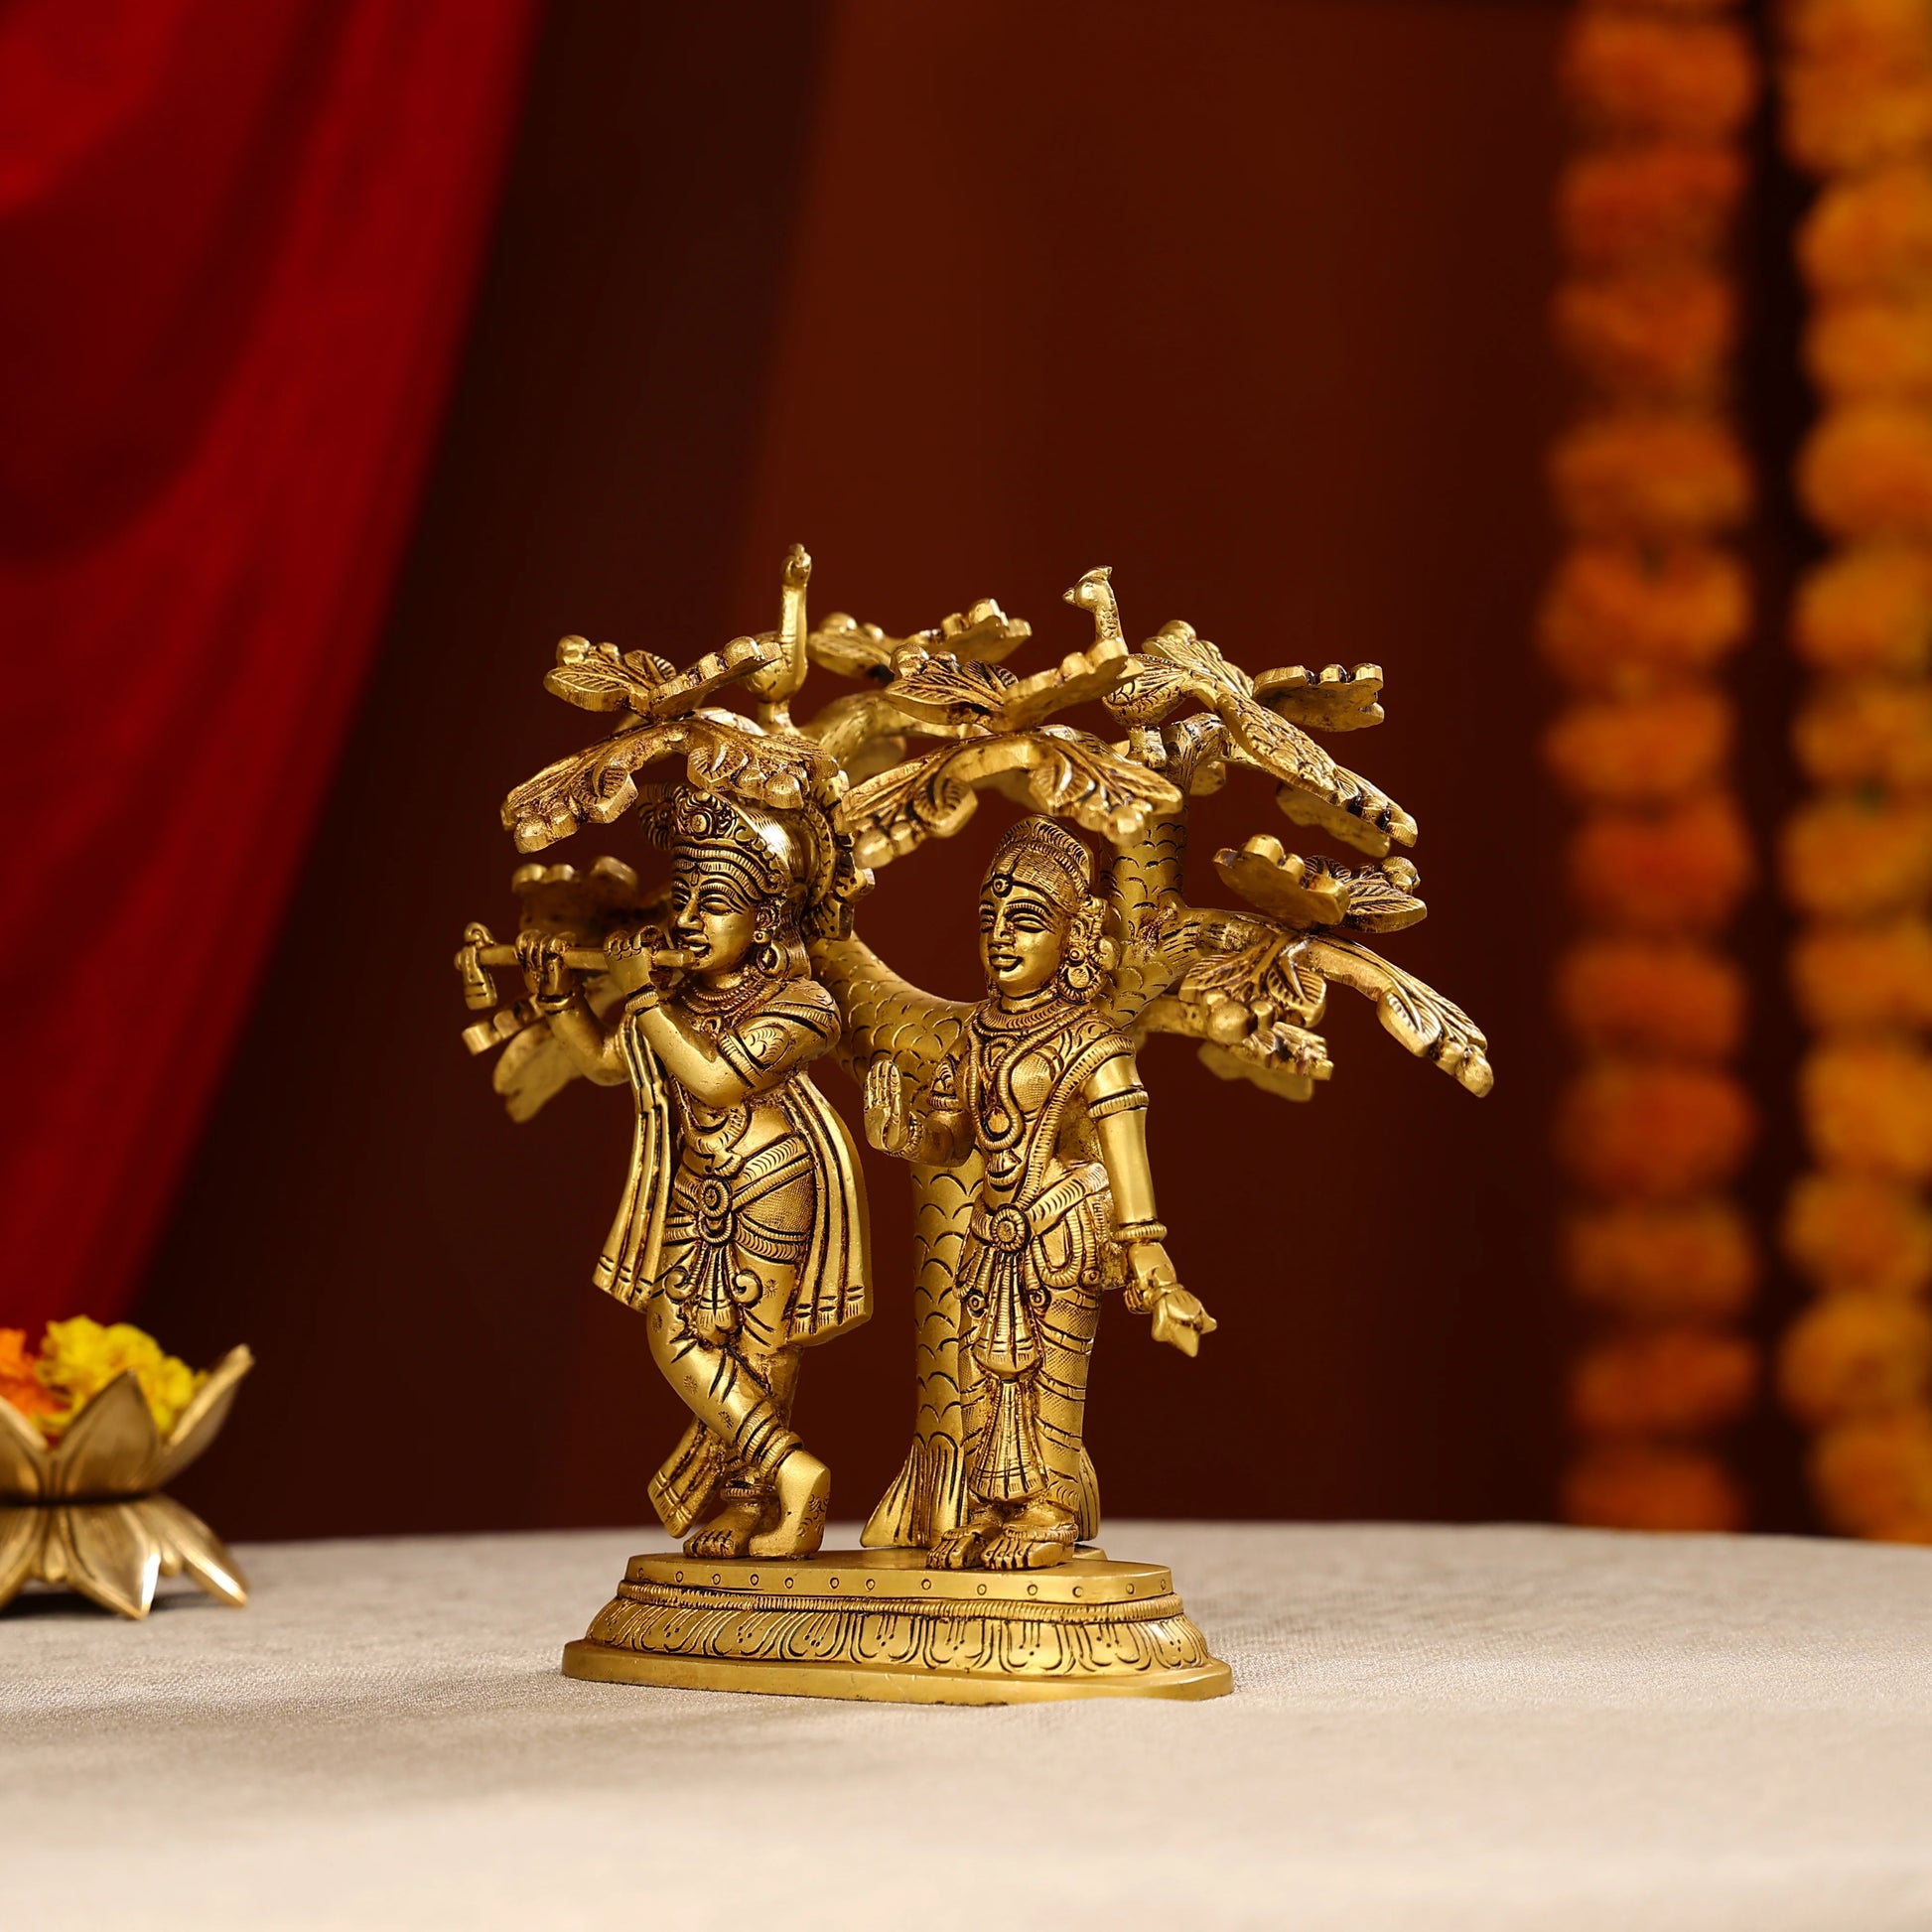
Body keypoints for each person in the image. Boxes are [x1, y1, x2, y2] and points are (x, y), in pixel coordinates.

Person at [519, 785, 868, 1560]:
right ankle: (792, 1471)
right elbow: (612, 1065)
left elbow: (713, 1081)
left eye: (714, 904)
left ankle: (755, 1502)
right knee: (679, 1329)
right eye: (683, 900)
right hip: (693, 1185)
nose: (687, 920)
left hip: (774, 1179)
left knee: (761, 1344)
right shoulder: (675, 997)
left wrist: (642, 998)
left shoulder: (804, 1005)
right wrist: (558, 999)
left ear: (765, 919)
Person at [865, 814, 1213, 1571]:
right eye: (990, 919)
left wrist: (1149, 1254)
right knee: (984, 1378)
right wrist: (902, 1134)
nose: (1001, 938)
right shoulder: (976, 1034)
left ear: (1075, 935)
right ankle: (991, 1508)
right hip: (989, 1237)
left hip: (1061, 1232)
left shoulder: (1091, 1043)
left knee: (1050, 1379)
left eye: (1025, 921)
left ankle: (1048, 1510)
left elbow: (1126, 1149)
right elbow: (951, 1141)